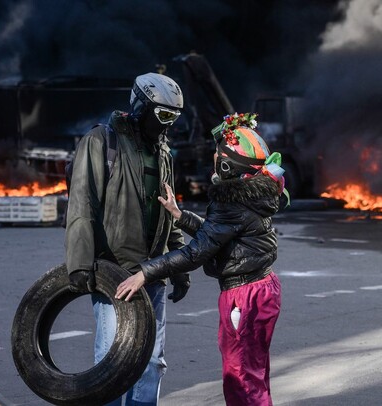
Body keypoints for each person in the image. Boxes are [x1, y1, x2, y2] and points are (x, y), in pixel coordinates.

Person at [116, 112, 287, 406]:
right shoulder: (255, 195)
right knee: (255, 371)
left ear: (226, 164)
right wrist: (180, 216)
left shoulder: (230, 203)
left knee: (240, 376)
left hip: (243, 297)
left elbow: (196, 253)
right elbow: (217, 234)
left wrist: (146, 272)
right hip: (264, 288)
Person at [64, 72, 191, 406]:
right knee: (112, 362)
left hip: (154, 273)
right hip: (115, 274)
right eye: (163, 115)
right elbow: (82, 203)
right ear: (141, 107)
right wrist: (79, 264)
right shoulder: (101, 141)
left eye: (174, 118)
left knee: (152, 362)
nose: (167, 125)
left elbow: (169, 210)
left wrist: (178, 265)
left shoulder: (163, 152)